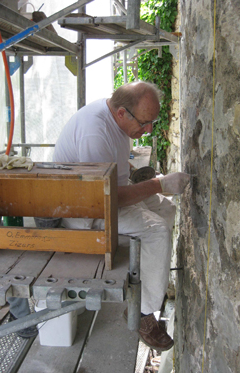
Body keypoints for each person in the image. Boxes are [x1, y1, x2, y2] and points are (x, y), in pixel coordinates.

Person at [53, 81, 190, 351]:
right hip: (82, 212)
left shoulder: (115, 116)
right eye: (145, 122)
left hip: (102, 196)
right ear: (121, 114)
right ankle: (142, 313)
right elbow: (105, 201)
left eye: (152, 121)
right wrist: (158, 185)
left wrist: (138, 176)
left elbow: (111, 168)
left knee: (166, 209)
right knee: (157, 230)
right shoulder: (95, 132)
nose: (149, 129)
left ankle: (148, 274)